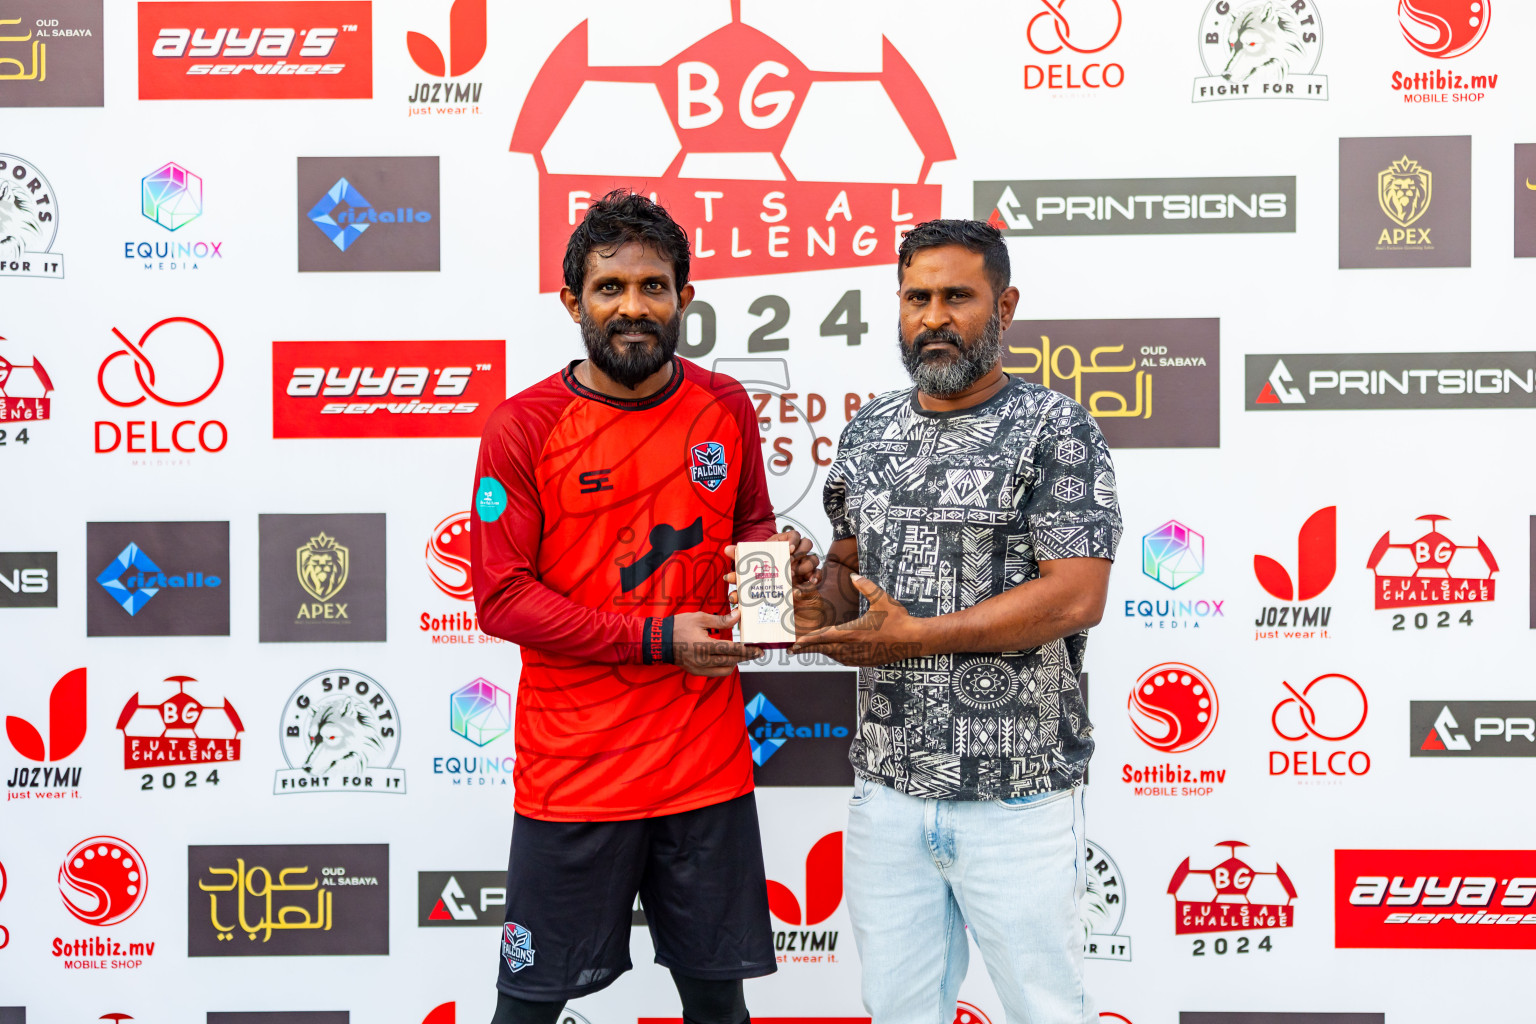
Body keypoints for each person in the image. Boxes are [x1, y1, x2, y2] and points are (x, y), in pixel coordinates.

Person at [471, 190, 815, 1024]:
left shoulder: (723, 405)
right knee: (527, 1008)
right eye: (610, 288)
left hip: (705, 769)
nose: (634, 306)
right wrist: (661, 637)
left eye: (654, 286)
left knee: (716, 1005)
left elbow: (750, 531)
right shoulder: (524, 427)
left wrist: (776, 585)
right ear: (572, 302)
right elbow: (502, 599)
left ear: (684, 299)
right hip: (576, 778)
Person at [793, 219, 1121, 1024]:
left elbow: (1076, 595)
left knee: (1048, 1011)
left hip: (1018, 793)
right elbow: (849, 579)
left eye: (957, 297)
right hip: (888, 791)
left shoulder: (1057, 428)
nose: (933, 317)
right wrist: (812, 603)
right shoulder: (870, 432)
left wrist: (915, 639)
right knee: (897, 1013)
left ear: (1003, 306)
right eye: (916, 298)